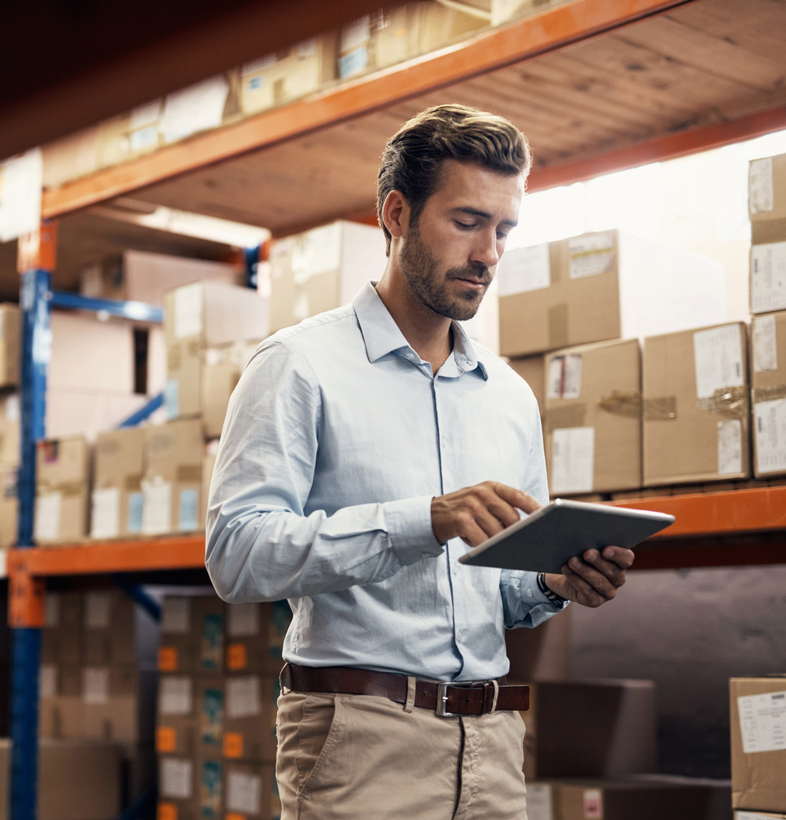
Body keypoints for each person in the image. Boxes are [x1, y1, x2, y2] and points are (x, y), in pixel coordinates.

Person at [204, 104, 635, 819]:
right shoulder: (299, 365)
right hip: (358, 740)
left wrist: (554, 581)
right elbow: (236, 555)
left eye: (503, 230)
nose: (488, 253)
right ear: (397, 214)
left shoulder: (508, 395)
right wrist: (423, 521)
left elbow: (501, 589)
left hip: (492, 742)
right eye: (466, 222)